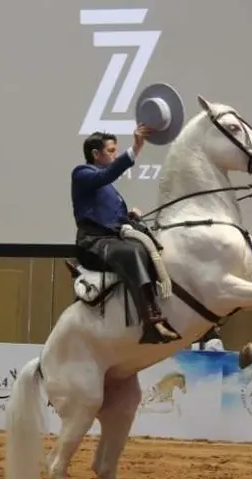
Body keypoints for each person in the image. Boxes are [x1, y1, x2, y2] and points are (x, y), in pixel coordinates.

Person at [71, 124, 180, 345]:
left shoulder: (108, 187)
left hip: (109, 239)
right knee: (132, 253)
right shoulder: (82, 173)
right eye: (111, 151)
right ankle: (151, 321)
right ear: (96, 154)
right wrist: (136, 148)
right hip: (92, 243)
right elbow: (106, 176)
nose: (115, 155)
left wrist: (129, 216)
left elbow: (109, 216)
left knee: (146, 247)